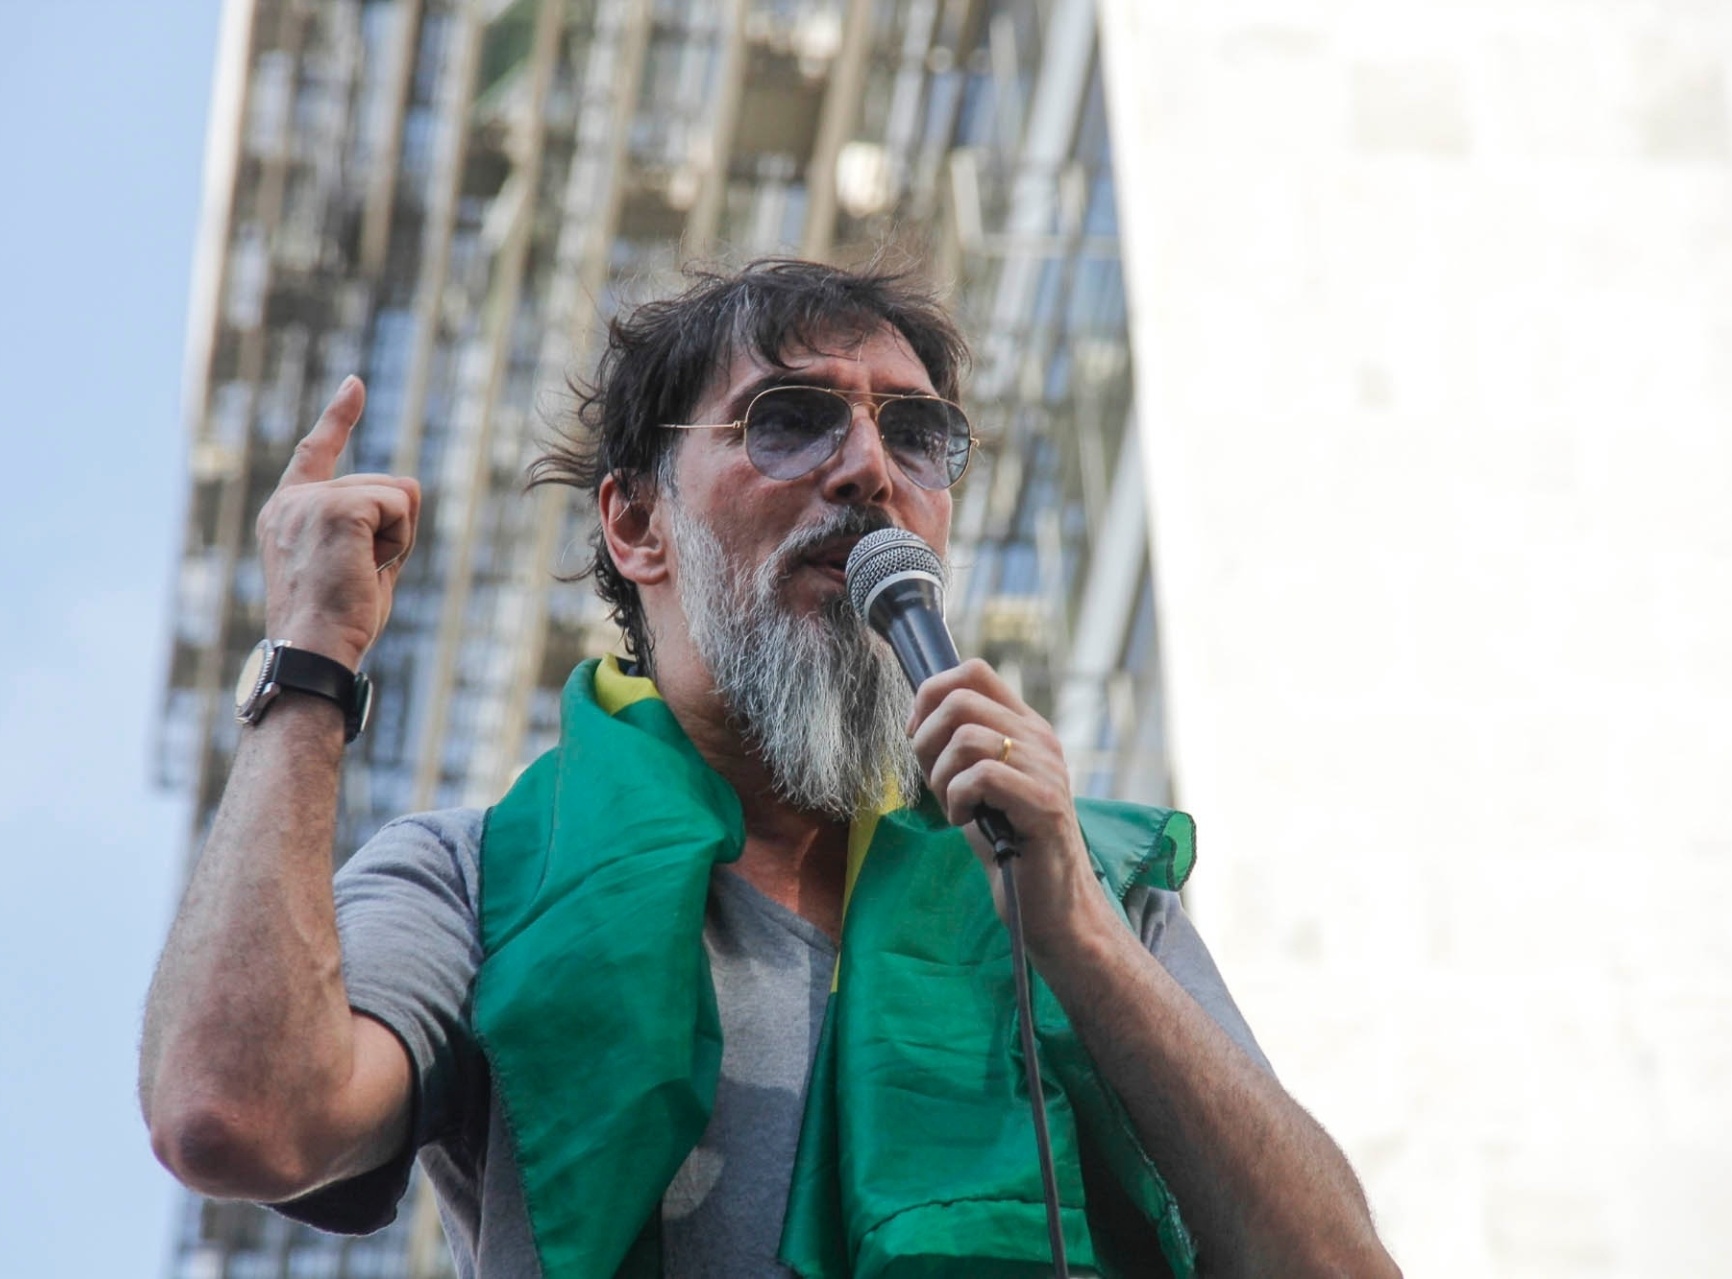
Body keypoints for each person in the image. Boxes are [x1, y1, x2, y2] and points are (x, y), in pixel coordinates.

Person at [141, 259, 1398, 1278]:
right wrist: (312, 658)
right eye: (791, 420)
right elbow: (237, 1116)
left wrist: (1075, 934)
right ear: (638, 525)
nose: (868, 471)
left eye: (917, 435)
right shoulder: (478, 883)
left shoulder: (1088, 881)